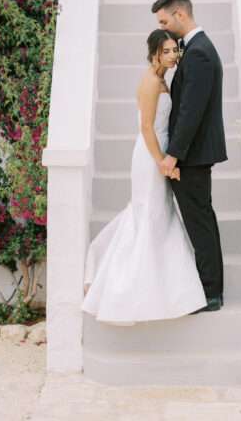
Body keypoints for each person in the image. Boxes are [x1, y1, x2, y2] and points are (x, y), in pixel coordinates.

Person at [82, 29, 207, 323]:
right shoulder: (151, 82)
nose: (173, 55)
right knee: (149, 214)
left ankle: (168, 290)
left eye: (175, 49)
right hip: (150, 155)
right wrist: (162, 161)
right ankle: (132, 290)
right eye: (166, 51)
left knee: (158, 215)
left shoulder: (163, 78)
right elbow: (147, 127)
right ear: (154, 54)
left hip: (158, 151)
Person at [152, 0, 227, 312]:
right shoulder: (198, 48)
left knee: (199, 222)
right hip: (194, 154)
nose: (164, 28)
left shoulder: (198, 52)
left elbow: (191, 111)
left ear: (180, 15)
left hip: (192, 156)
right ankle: (209, 288)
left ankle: (211, 293)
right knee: (201, 219)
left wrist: (173, 155)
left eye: (165, 21)